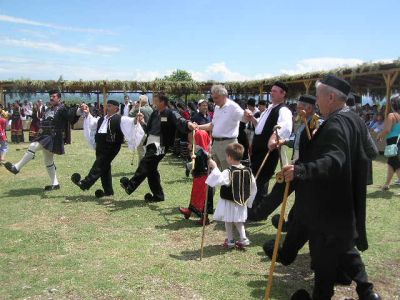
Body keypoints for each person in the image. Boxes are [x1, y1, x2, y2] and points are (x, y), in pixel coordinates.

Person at [282, 75, 380, 300]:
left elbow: (334, 160)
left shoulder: (335, 124)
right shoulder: (354, 119)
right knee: (343, 246)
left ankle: (324, 294)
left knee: (324, 251)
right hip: (344, 197)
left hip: (328, 201)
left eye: (318, 97)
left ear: (331, 97)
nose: (316, 102)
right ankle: (366, 291)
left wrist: (301, 170)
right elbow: (368, 154)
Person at [120, 93, 197, 202]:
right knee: (151, 170)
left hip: (161, 144)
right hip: (151, 142)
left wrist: (189, 124)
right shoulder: (155, 113)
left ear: (162, 102)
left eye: (155, 100)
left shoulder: (170, 113)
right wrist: (142, 122)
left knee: (145, 162)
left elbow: (180, 121)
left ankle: (130, 185)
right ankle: (158, 195)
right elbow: (149, 129)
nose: (153, 103)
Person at [4, 90, 81, 191]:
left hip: (54, 136)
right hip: (46, 135)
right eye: (50, 96)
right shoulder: (49, 109)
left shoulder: (62, 108)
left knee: (33, 146)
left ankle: (16, 168)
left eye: (54, 96)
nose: (51, 98)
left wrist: (80, 110)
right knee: (48, 160)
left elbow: (71, 115)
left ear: (59, 98)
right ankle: (55, 183)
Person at [71, 100, 144, 198]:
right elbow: (92, 122)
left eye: (110, 106)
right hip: (100, 145)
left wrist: (136, 118)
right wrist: (87, 113)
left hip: (112, 146)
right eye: (107, 106)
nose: (107, 108)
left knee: (100, 164)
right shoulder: (101, 119)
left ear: (116, 108)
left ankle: (85, 183)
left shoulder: (120, 119)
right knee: (104, 167)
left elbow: (130, 122)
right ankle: (108, 191)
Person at [247, 81, 292, 220]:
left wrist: (274, 139)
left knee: (260, 178)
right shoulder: (269, 108)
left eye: (275, 91)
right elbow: (259, 127)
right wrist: (252, 119)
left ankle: (256, 212)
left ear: (283, 94)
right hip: (258, 149)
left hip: (268, 150)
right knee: (257, 178)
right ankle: (256, 210)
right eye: (271, 91)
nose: (271, 93)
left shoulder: (283, 110)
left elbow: (284, 127)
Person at [206, 143, 257, 249]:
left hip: (229, 201)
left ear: (229, 157)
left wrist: (214, 166)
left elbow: (218, 179)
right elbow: (253, 186)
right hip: (241, 202)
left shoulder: (228, 172)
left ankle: (230, 240)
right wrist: (249, 201)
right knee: (238, 221)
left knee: (228, 220)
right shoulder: (248, 171)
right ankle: (243, 238)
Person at [198, 84, 248, 170]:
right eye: (213, 98)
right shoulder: (217, 107)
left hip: (228, 144)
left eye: (216, 98)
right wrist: (198, 126)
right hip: (216, 144)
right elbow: (212, 125)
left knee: (228, 173)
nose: (214, 100)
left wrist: (247, 113)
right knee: (211, 171)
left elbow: (245, 119)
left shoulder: (233, 107)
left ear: (224, 96)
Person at [179, 129, 213, 225]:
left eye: (195, 139)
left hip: (203, 179)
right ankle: (189, 211)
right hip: (198, 177)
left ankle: (204, 218)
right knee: (194, 195)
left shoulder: (202, 152)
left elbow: (201, 164)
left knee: (201, 198)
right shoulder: (199, 149)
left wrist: (194, 158)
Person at [377, 94, 400, 190]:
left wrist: (379, 135)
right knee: (392, 162)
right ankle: (387, 184)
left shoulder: (391, 115)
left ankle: (387, 184)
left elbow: (387, 130)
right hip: (398, 140)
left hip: (393, 141)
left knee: (395, 163)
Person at [129, 94, 154, 162]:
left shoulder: (140, 109)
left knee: (141, 152)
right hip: (149, 132)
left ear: (141, 101)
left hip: (141, 132)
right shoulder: (151, 109)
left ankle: (142, 169)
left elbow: (130, 114)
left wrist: (134, 106)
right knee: (146, 151)